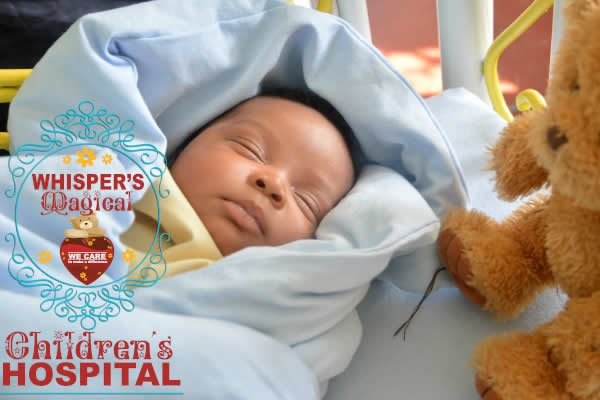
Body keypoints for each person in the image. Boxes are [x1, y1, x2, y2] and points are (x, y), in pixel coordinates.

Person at [119, 87, 361, 282]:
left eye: (307, 202)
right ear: (188, 141)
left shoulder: (270, 301)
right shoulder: (114, 181)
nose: (275, 184)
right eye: (250, 149)